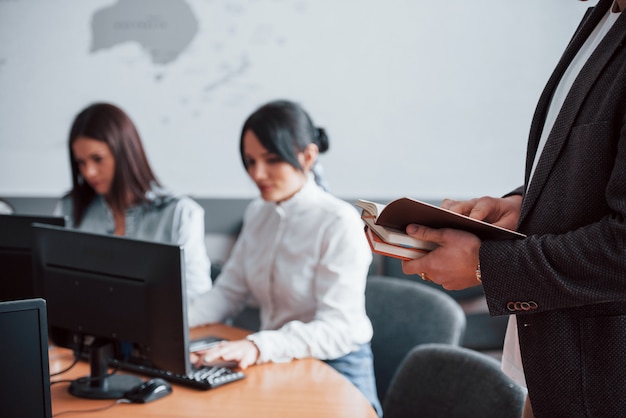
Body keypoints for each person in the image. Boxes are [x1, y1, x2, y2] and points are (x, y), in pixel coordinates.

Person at [401, 0, 626, 417]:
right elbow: (592, 167)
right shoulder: (603, 17)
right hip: (550, 366)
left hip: (602, 380)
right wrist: (522, 204)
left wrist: (486, 265)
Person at [192, 99, 382, 416]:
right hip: (277, 362)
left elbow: (339, 327)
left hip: (336, 368)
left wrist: (257, 346)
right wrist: (171, 324)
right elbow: (229, 292)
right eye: (250, 161)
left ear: (308, 156)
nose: (257, 173)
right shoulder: (258, 213)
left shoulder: (338, 222)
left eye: (270, 160)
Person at [57, 102, 212, 327]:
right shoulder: (70, 209)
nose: (88, 172)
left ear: (124, 153)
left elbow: (197, 302)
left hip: (156, 340)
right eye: (81, 163)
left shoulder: (180, 213)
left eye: (97, 159)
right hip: (89, 341)